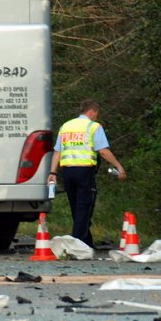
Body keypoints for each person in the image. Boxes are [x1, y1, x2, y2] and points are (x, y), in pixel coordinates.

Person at [48, 100, 126, 247]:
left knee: (76, 208)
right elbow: (103, 151)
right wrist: (119, 167)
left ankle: (86, 242)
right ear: (92, 112)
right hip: (84, 172)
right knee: (84, 208)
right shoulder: (93, 126)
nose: (96, 117)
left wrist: (52, 172)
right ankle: (76, 245)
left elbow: (58, 151)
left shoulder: (66, 126)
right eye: (96, 114)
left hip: (67, 172)